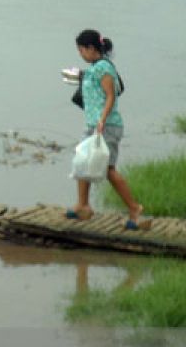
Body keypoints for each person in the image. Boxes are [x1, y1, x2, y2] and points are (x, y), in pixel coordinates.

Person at [67, 30, 150, 230]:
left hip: (107, 126)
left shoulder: (104, 68)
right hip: (94, 125)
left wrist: (102, 120)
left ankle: (134, 208)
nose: (80, 54)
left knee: (108, 170)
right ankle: (83, 205)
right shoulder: (94, 68)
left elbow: (111, 96)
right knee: (82, 160)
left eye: (81, 50)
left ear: (91, 48)